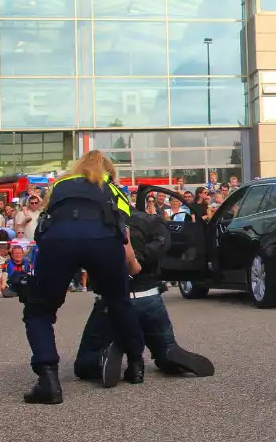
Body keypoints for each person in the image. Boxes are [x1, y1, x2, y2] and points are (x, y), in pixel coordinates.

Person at [20, 150, 145, 405]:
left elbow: (47, 214)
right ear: (108, 170)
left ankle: (48, 380)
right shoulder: (111, 186)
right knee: (119, 302)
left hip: (59, 241)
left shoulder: (61, 183)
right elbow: (125, 228)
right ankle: (135, 365)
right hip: (103, 241)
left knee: (39, 309)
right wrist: (132, 262)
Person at [74, 210, 215, 387]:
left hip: (113, 301)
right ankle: (168, 352)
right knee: (164, 344)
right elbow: (164, 243)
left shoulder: (98, 222)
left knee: (83, 364)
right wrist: (142, 257)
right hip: (150, 298)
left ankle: (101, 358)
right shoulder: (152, 221)